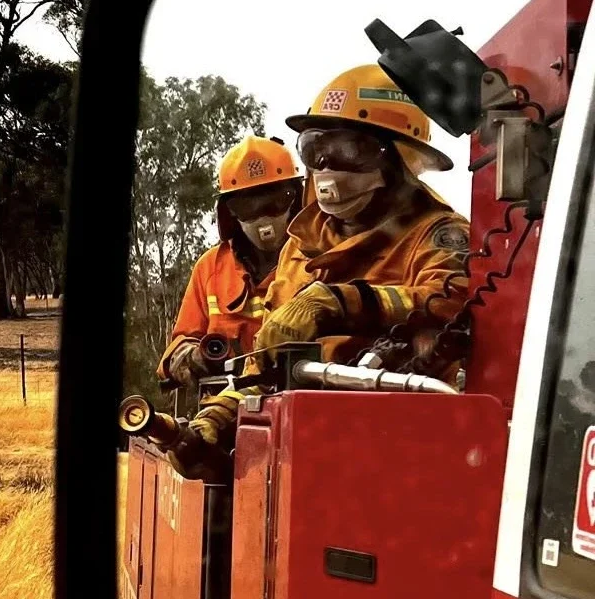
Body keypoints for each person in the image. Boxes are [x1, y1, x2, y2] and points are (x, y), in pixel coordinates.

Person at [169, 65, 471, 478]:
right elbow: (270, 360)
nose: (327, 166)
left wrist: (340, 301)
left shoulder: (440, 235)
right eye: (315, 150)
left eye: (348, 150)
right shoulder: (301, 244)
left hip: (397, 453)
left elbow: (449, 301)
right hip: (300, 448)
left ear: (398, 156)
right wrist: (219, 417)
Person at [158, 137, 304, 388]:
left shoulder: (316, 257)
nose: (264, 217)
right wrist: (191, 357)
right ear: (230, 212)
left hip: (296, 408)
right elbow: (177, 347)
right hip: (221, 417)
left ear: (297, 197)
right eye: (248, 206)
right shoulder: (210, 268)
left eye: (277, 201)